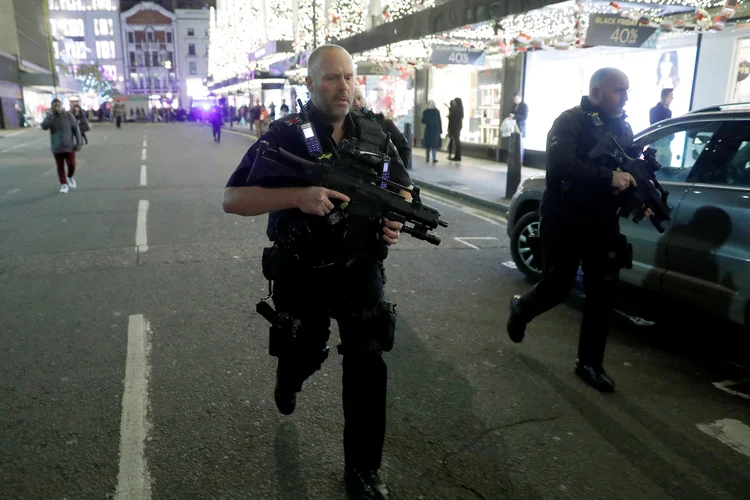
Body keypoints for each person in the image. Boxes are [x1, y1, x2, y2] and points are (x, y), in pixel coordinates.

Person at [223, 44, 413, 500]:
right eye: (331, 78)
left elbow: (402, 189)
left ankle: (363, 471)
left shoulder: (376, 131)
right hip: (302, 270)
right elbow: (232, 198)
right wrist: (297, 197)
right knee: (303, 351)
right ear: (309, 84)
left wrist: (395, 218)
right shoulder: (285, 135)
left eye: (348, 77)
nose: (343, 86)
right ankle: (289, 378)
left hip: (361, 267)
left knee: (368, 362)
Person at [506, 68, 639, 393]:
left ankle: (589, 363)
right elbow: (562, 164)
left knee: (602, 295)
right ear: (596, 93)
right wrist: (609, 178)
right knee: (558, 285)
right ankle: (522, 307)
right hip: (565, 219)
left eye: (627, 91)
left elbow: (631, 170)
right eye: (619, 90)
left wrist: (639, 199)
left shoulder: (623, 126)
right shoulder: (570, 121)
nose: (625, 97)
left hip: (603, 223)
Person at [353, 86, 412, 170]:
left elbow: (405, 148)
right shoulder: (346, 128)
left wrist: (399, 173)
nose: (356, 103)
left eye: (359, 98)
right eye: (352, 100)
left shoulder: (384, 124)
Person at [41, 99, 82, 194]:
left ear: (61, 105)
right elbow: (43, 127)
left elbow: (76, 129)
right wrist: (50, 117)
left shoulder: (68, 115)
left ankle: (70, 177)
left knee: (72, 164)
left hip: (69, 146)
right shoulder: (50, 117)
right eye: (55, 106)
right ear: (52, 107)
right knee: (60, 166)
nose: (57, 107)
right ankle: (63, 184)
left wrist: (79, 143)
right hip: (56, 147)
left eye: (58, 105)